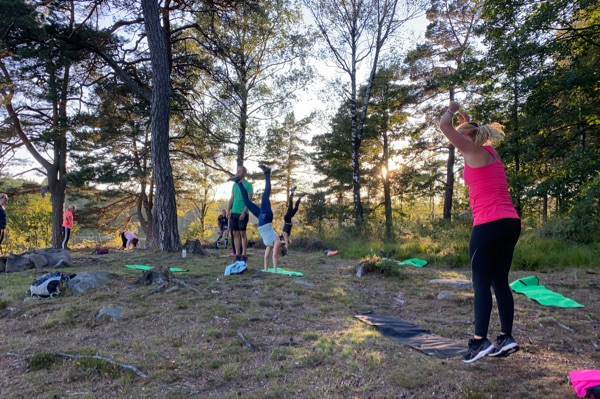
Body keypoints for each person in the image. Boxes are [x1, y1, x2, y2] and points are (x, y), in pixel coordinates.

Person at [440, 100, 521, 363]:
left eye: (462, 135)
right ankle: (506, 337)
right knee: (500, 281)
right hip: (510, 223)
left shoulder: (471, 150)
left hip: (488, 224)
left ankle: (479, 341)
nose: (458, 142)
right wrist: (466, 117)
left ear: (468, 137)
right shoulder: (493, 155)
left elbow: (444, 126)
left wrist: (451, 110)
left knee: (481, 282)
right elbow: (469, 129)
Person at [229, 165, 286, 271]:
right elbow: (274, 257)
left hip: (261, 218)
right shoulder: (277, 241)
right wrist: (275, 270)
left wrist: (266, 269)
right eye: (279, 251)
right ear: (281, 248)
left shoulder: (270, 245)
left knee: (247, 202)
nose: (276, 251)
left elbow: (266, 258)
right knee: (265, 196)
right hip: (266, 218)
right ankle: (267, 173)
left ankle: (238, 182)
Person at [227, 166, 253, 262]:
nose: (238, 173)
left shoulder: (248, 185)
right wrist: (228, 210)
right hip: (234, 212)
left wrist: (244, 212)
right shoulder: (235, 185)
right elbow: (231, 198)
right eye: (237, 171)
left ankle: (244, 254)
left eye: (240, 171)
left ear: (244, 173)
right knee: (235, 233)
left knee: (243, 233)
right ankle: (237, 254)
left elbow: (249, 200)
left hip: (243, 212)